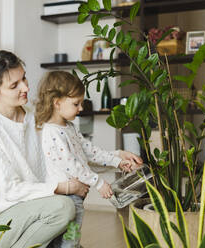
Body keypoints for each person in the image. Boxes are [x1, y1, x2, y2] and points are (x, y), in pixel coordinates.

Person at [0, 49, 91, 248]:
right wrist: (64, 187)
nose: (25, 87)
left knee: (70, 218)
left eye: (24, 78)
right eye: (14, 85)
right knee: (63, 207)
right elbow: (12, 189)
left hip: (29, 212)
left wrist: (117, 158)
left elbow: (67, 152)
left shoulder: (35, 119)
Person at [35, 71, 143, 248]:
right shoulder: (52, 132)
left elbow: (90, 151)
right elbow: (73, 166)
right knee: (71, 237)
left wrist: (117, 160)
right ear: (57, 103)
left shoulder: (69, 127)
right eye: (76, 104)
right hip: (67, 197)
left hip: (76, 196)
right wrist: (99, 182)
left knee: (70, 236)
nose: (81, 108)